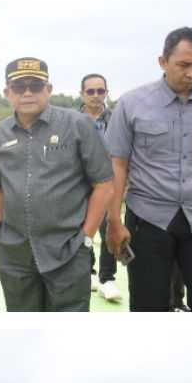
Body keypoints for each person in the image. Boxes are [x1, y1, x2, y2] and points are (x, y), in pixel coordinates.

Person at [105, 27, 192, 312]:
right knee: (148, 304)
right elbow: (117, 163)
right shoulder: (132, 104)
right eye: (184, 65)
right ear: (163, 62)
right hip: (149, 218)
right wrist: (114, 221)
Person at [0, 57, 113, 312]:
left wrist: (86, 237)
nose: (28, 93)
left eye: (36, 85)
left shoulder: (78, 125)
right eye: (20, 87)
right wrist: (0, 233)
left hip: (67, 250)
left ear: (49, 89)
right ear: (7, 93)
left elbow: (104, 184)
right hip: (15, 254)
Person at [78, 74, 122, 304]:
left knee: (108, 228)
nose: (96, 96)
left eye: (100, 91)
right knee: (84, 227)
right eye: (90, 91)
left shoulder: (117, 120)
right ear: (82, 94)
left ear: (106, 92)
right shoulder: (72, 120)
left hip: (108, 182)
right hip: (79, 183)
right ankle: (89, 272)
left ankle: (108, 277)